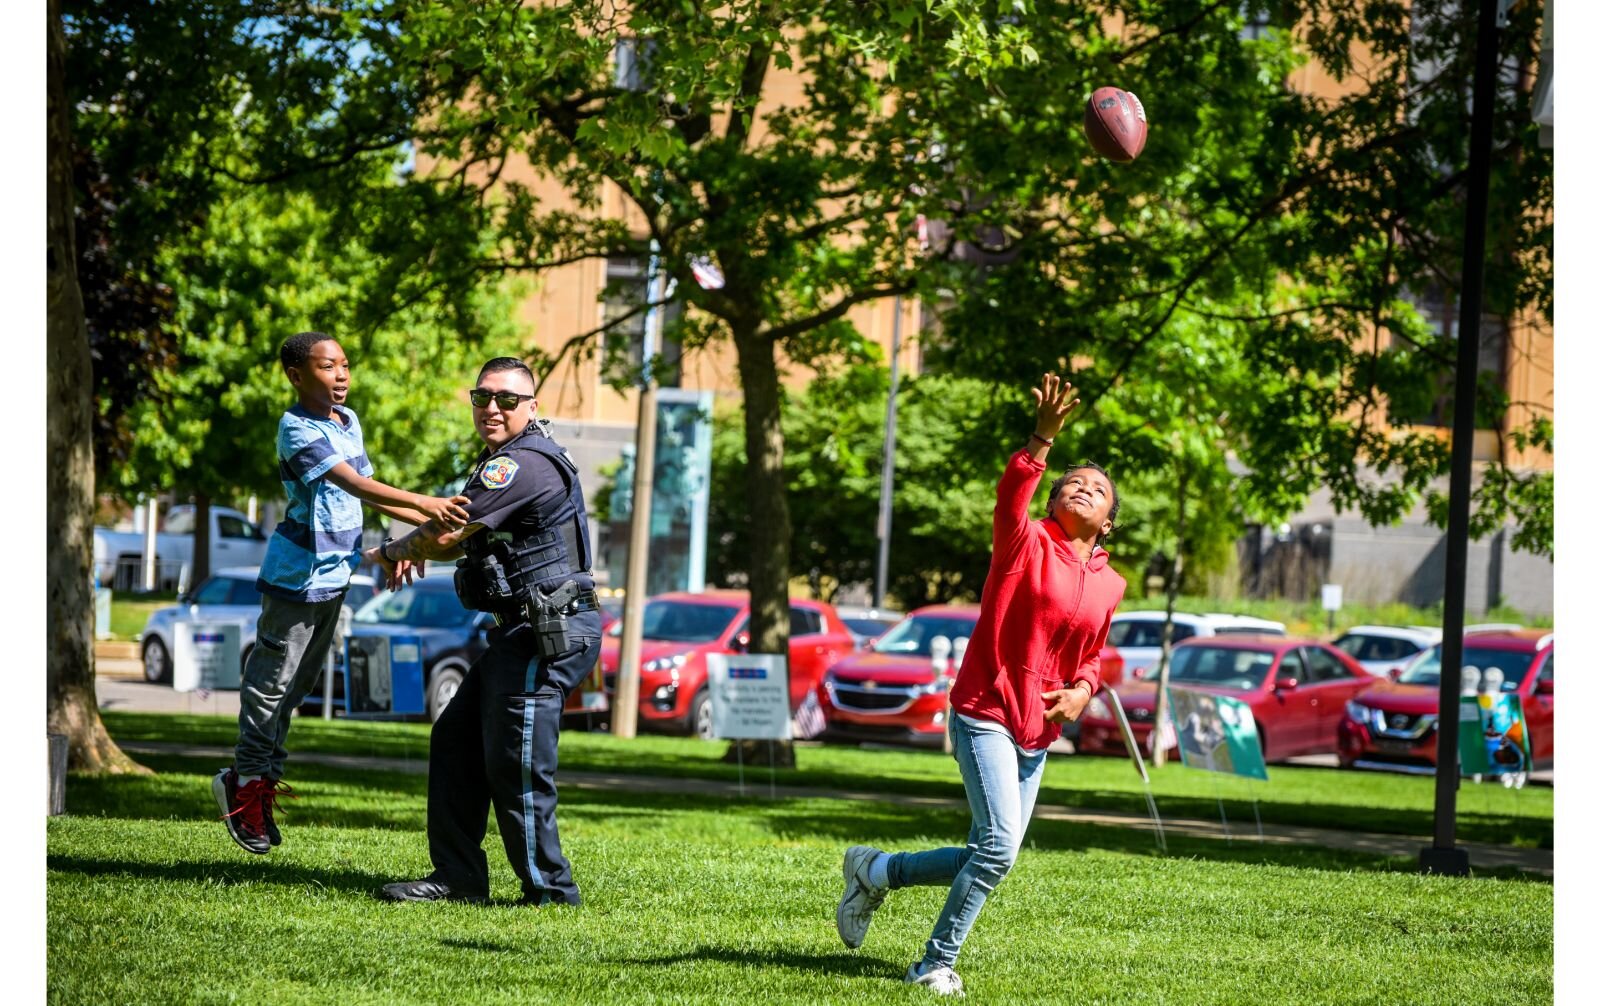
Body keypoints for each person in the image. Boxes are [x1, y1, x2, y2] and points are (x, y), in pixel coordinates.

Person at [834, 372, 1126, 996]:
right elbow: (1011, 496)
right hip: (986, 707)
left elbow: (1092, 658)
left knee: (992, 853)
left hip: (1038, 730)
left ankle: (876, 871)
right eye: (1072, 481)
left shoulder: (1110, 585)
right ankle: (934, 962)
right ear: (1053, 501)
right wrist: (1041, 443)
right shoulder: (1024, 542)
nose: (1081, 487)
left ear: (1107, 522)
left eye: (1097, 489)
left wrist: (1081, 692)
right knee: (996, 846)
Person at [214, 331, 471, 854]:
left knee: (296, 691)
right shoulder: (295, 428)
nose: (342, 375)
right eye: (328, 366)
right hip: (296, 577)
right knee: (271, 684)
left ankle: (261, 783)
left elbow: (375, 500)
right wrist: (429, 503)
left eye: (345, 365)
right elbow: (354, 484)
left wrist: (419, 538)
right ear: (296, 375)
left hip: (335, 577)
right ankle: (244, 783)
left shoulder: (347, 422)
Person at [372, 357, 603, 907]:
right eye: (483, 397)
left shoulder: (521, 466)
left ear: (531, 407)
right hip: (522, 632)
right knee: (455, 740)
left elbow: (449, 531)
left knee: (517, 761)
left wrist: (388, 551)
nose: (493, 408)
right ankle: (460, 879)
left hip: (547, 631)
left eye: (507, 400)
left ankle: (550, 891)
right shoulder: (501, 460)